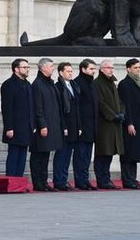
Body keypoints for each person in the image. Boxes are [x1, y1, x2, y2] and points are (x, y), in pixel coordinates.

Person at [30, 58, 64, 192]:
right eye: (51, 66)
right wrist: (42, 125)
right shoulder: (37, 84)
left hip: (52, 124)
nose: (53, 68)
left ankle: (43, 182)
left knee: (45, 155)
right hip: (42, 126)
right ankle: (38, 182)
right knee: (38, 155)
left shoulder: (50, 83)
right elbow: (38, 107)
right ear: (43, 68)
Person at [118, 58, 140, 190]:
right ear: (128, 69)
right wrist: (129, 123)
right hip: (129, 123)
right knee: (128, 152)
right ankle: (127, 180)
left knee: (135, 153)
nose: (138, 69)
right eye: (135, 67)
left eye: (139, 67)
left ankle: (133, 179)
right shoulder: (124, 84)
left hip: (139, 122)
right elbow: (126, 105)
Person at [0, 58, 34, 177]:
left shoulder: (28, 84)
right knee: (14, 154)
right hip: (14, 126)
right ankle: (11, 180)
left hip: (26, 127)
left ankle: (19, 181)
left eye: (28, 67)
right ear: (16, 69)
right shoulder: (8, 85)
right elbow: (7, 108)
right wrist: (9, 127)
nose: (27, 69)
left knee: (23, 156)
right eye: (24, 67)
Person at [93, 59, 124, 190]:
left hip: (114, 124)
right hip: (104, 124)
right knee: (102, 153)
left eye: (112, 67)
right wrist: (112, 115)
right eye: (108, 67)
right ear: (101, 69)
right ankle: (102, 179)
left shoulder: (112, 83)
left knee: (110, 153)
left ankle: (106, 179)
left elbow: (119, 101)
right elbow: (101, 103)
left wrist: (122, 112)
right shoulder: (97, 83)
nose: (111, 69)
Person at [53, 62, 81, 191]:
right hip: (64, 127)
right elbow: (59, 109)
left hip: (74, 127)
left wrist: (79, 126)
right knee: (62, 155)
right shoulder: (58, 87)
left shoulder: (74, 86)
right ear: (60, 72)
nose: (71, 73)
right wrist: (63, 127)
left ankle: (64, 180)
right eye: (68, 71)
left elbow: (77, 108)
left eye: (71, 71)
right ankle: (59, 181)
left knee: (68, 155)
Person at [73, 59, 99, 190]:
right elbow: (77, 107)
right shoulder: (77, 83)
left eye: (94, 69)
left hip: (91, 126)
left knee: (87, 156)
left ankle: (85, 179)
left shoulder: (92, 84)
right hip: (82, 126)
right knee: (80, 155)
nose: (93, 72)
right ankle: (80, 181)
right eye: (91, 69)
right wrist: (79, 126)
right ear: (83, 69)